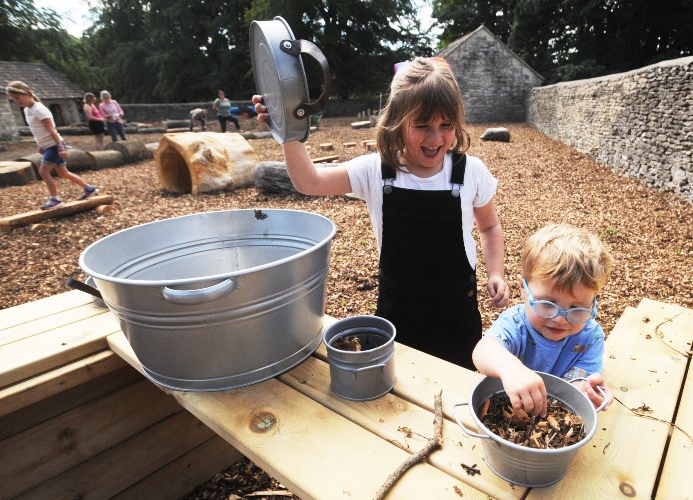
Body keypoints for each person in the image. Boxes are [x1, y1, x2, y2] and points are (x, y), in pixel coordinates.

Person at [252, 57, 509, 368]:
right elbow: (310, 181)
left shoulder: (471, 172)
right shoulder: (376, 171)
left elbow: (490, 228)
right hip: (398, 313)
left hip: (456, 316)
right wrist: (287, 129)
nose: (436, 138)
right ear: (397, 122)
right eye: (422, 125)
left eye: (446, 125)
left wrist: (496, 272)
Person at [472, 223, 615, 417]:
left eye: (577, 308)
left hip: (552, 420)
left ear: (593, 302)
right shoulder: (516, 324)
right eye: (548, 303)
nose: (560, 319)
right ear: (523, 290)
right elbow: (483, 350)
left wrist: (589, 391)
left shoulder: (590, 337)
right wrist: (510, 368)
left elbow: (578, 383)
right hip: (507, 407)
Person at [5, 81, 98, 210]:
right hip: (48, 146)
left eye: (17, 98)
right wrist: (41, 145)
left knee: (43, 172)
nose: (16, 101)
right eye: (13, 99)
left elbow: (52, 130)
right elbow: (38, 130)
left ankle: (55, 199)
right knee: (63, 173)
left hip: (54, 145)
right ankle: (89, 189)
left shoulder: (39, 109)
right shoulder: (27, 110)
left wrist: (60, 147)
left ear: (26, 94)